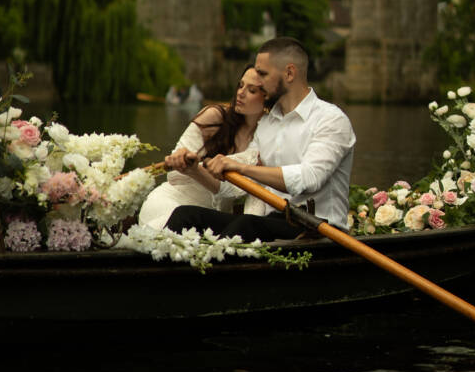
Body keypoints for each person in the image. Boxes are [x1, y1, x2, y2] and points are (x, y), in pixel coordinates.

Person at [165, 36, 355, 239]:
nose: (258, 81)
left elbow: (309, 178)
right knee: (185, 215)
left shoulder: (331, 119)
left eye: (263, 74)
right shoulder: (266, 124)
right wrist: (194, 170)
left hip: (319, 229)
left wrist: (241, 167)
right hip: (272, 222)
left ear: (289, 73)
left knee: (246, 224)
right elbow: (236, 185)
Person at [137, 65, 267, 229]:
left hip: (210, 220)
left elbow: (238, 191)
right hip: (171, 203)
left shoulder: (267, 138)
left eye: (251, 90)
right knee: (165, 230)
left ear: (267, 97)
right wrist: (190, 167)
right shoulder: (214, 116)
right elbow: (174, 175)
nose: (240, 93)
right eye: (240, 86)